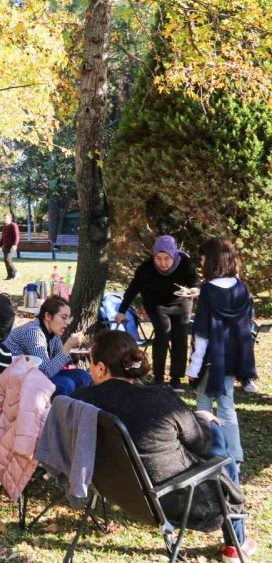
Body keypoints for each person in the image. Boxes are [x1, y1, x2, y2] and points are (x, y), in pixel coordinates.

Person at [73, 330, 255, 563]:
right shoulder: (160, 400)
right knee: (218, 441)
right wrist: (203, 418)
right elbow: (201, 443)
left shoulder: (80, 401)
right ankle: (235, 542)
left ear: (100, 368)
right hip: (172, 500)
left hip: (119, 491)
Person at [187, 238, 257, 466]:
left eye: (204, 257)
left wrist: (194, 366)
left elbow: (202, 333)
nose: (201, 261)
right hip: (234, 358)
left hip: (210, 360)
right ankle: (234, 455)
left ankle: (207, 451)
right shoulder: (241, 288)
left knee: (204, 403)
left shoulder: (208, 290)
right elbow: (248, 326)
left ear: (213, 260)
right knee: (227, 405)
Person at [116, 235, 200, 391]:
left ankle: (176, 378)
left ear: (174, 255)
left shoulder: (185, 264)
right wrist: (121, 310)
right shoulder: (146, 268)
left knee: (180, 337)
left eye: (167, 259)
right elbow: (132, 289)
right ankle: (158, 377)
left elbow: (196, 284)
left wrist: (192, 291)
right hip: (157, 304)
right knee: (162, 334)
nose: (162, 263)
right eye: (158, 258)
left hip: (182, 303)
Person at [3, 296, 92, 397]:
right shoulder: (33, 332)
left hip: (36, 375)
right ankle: (55, 412)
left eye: (68, 318)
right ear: (48, 316)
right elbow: (45, 372)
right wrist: (68, 346)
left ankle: (74, 410)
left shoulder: (53, 332)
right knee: (66, 384)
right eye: (63, 317)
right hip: (17, 379)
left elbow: (58, 358)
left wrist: (75, 354)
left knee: (84, 376)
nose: (67, 323)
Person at [0, 212, 19, 280]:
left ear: (10, 218)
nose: (5, 220)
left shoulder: (13, 225)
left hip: (11, 246)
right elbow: (3, 237)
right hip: (5, 246)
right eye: (4, 218)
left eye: (6, 218)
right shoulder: (4, 227)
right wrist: (0, 246)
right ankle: (9, 276)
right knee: (5, 260)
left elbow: (17, 236)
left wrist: (15, 245)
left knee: (8, 259)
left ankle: (16, 272)